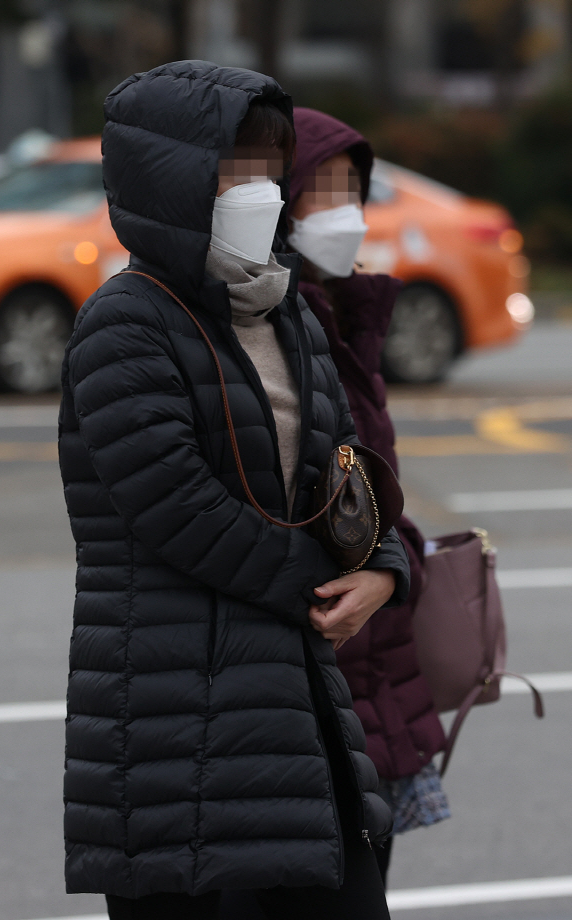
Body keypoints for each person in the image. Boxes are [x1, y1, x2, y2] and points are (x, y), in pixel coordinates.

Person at [58, 62, 410, 920]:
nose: (258, 193)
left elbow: (345, 462)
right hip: (177, 716)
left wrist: (381, 566)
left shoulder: (282, 309)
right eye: (232, 172)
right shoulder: (126, 321)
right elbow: (176, 506)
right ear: (171, 181)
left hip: (296, 704)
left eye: (267, 171)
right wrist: (315, 585)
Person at [288, 107, 450, 883]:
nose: (342, 214)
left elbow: (376, 498)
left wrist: (395, 563)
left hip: (372, 667)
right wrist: (395, 560)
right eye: (320, 191)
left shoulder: (350, 317)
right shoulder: (285, 328)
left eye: (352, 191)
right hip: (327, 673)